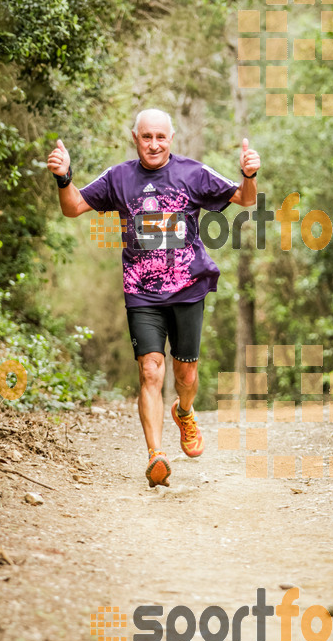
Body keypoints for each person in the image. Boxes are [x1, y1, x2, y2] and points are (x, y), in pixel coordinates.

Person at [47, 109, 260, 488]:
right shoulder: (119, 178)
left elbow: (244, 199)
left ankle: (185, 411)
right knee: (150, 370)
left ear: (172, 139)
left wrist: (249, 174)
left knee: (186, 375)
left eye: (161, 137)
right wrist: (64, 177)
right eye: (147, 137)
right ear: (135, 138)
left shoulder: (192, 173)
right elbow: (73, 207)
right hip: (141, 292)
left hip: (188, 289)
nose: (154, 144)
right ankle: (155, 455)